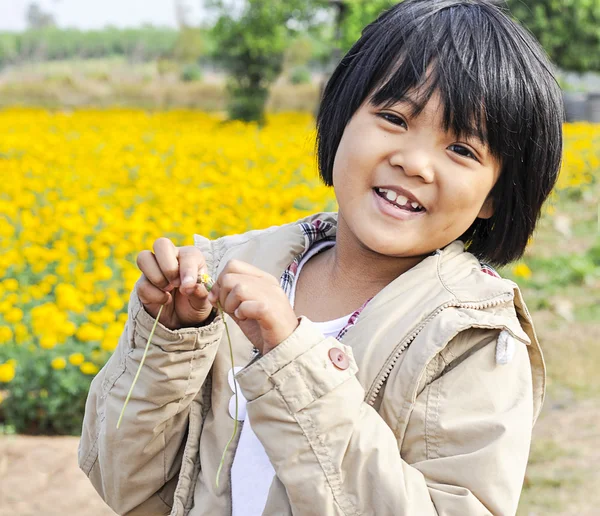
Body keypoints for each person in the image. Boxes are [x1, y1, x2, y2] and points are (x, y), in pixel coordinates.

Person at [79, 1, 563, 514]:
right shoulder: (231, 269)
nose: (415, 162)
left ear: (495, 195)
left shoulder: (473, 339)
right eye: (395, 118)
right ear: (339, 119)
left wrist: (293, 357)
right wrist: (169, 340)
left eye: (462, 150)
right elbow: (124, 484)